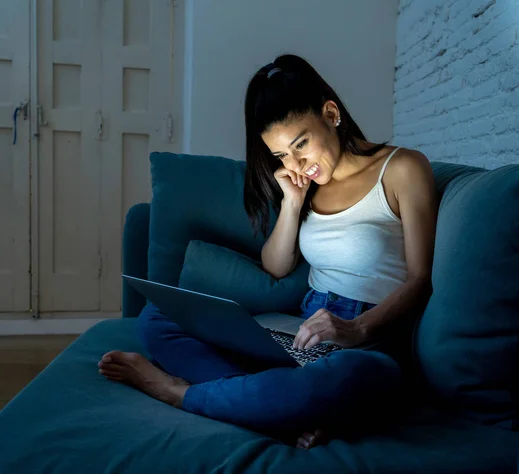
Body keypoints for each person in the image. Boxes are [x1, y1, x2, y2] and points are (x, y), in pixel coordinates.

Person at [98, 54, 438, 450]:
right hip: (300, 331)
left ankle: (179, 393)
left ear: (331, 113)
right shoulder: (306, 185)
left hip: (369, 342)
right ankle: (282, 410)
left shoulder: (402, 169)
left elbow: (421, 278)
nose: (297, 164)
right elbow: (276, 266)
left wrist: (355, 328)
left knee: (340, 382)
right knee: (158, 318)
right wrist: (293, 203)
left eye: (301, 144)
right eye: (281, 156)